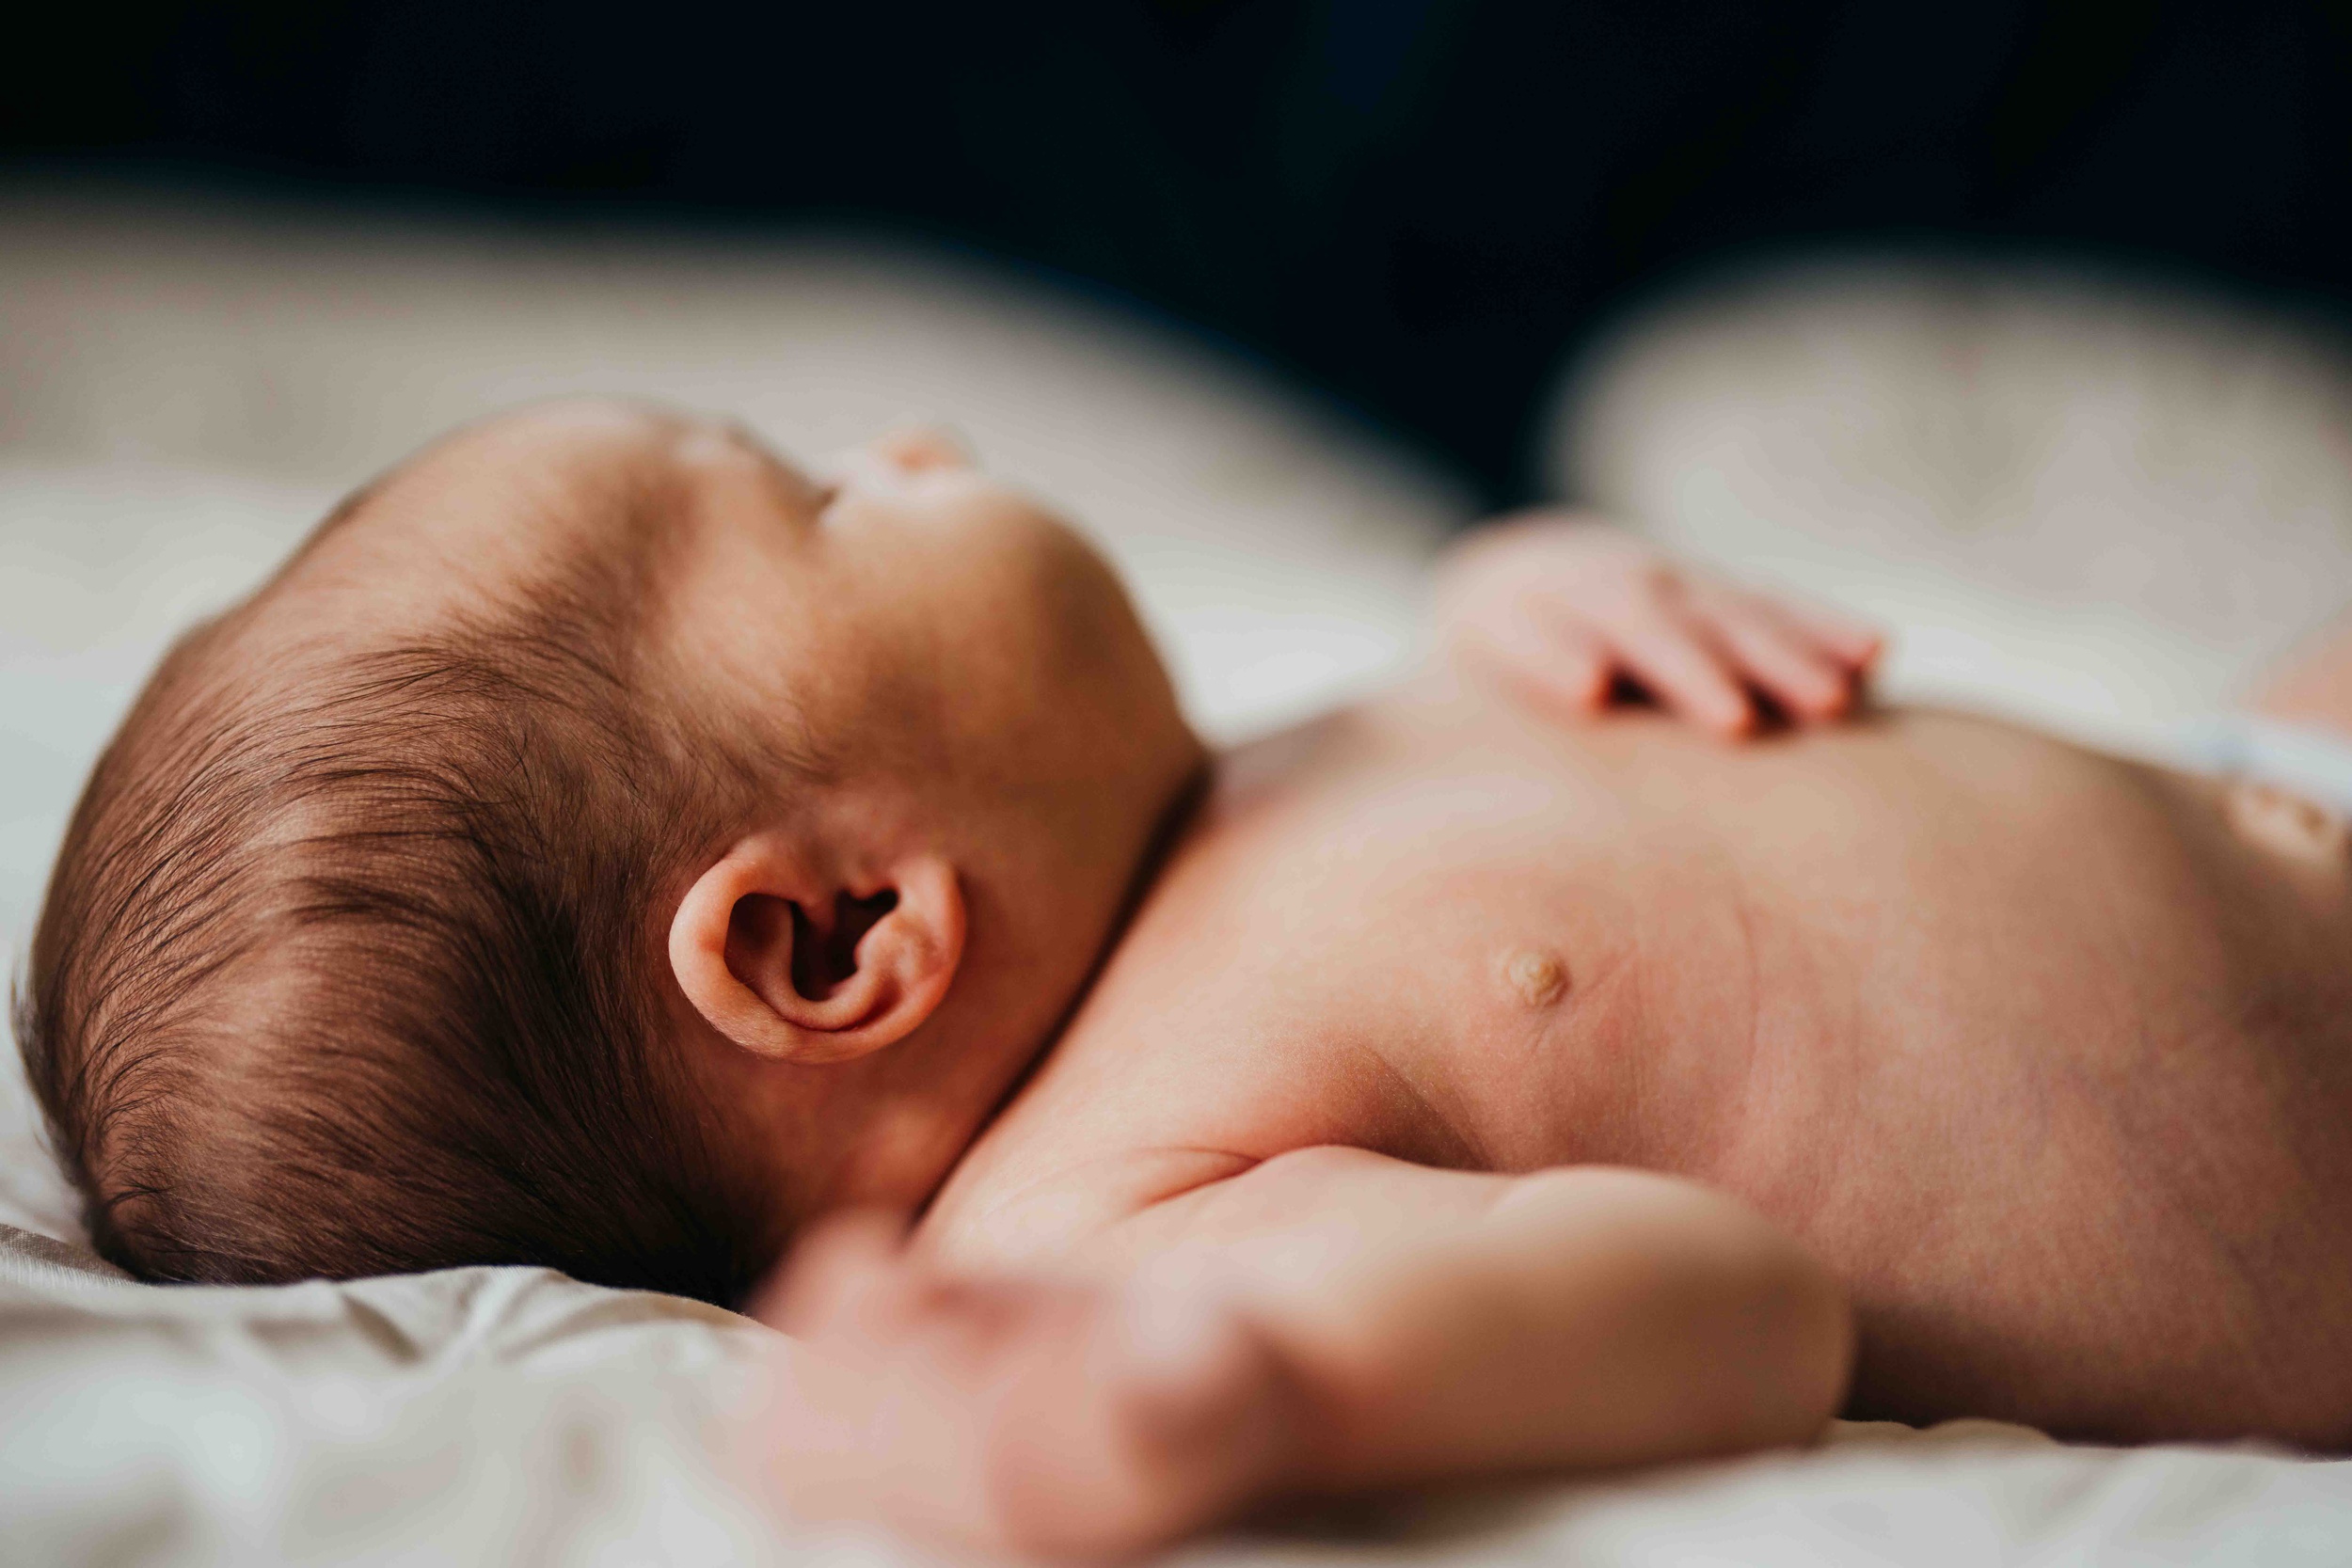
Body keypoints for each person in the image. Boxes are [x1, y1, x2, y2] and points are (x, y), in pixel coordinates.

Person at [22, 402, 2352, 1556]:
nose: (924, 444)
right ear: (835, 939)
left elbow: (1566, 827)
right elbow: (1719, 1308)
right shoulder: (1117, 1198)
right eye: (830, 495)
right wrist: (1257, 1389)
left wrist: (1546, 593)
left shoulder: (1199, 806)